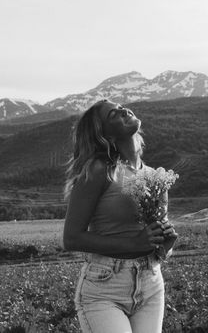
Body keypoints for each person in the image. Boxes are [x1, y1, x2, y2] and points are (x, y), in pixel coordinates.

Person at [63, 99, 177, 333]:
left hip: (151, 282)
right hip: (105, 288)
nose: (124, 110)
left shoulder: (154, 176)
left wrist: (165, 244)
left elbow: (154, 241)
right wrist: (133, 243)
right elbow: (71, 238)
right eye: (113, 114)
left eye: (121, 106)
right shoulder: (98, 170)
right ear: (103, 134)